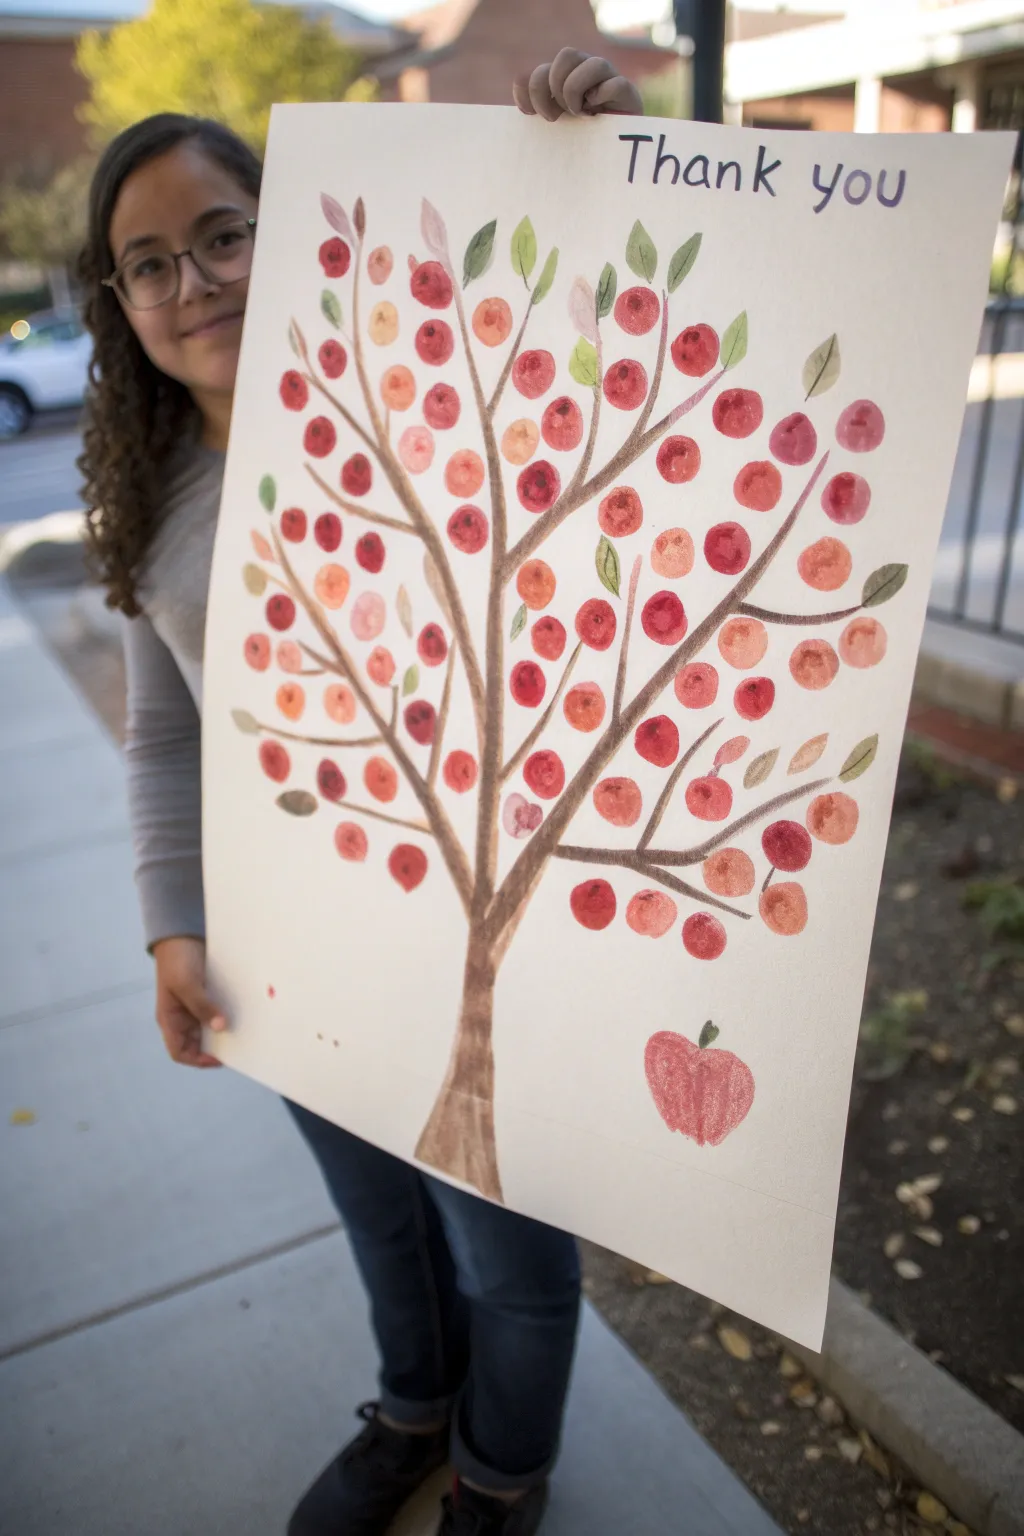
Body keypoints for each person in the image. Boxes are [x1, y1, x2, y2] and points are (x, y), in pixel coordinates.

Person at [77, 48, 642, 1536]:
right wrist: (171, 928)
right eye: (147, 264)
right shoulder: (147, 502)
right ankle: (416, 1403)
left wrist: (588, 165)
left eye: (221, 232)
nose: (191, 280)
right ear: (118, 308)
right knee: (381, 1217)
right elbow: (163, 737)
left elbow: (588, 332)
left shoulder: (427, 401)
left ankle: (502, 1476)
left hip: (469, 929)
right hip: (291, 943)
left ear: (298, 224)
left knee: (513, 1255)